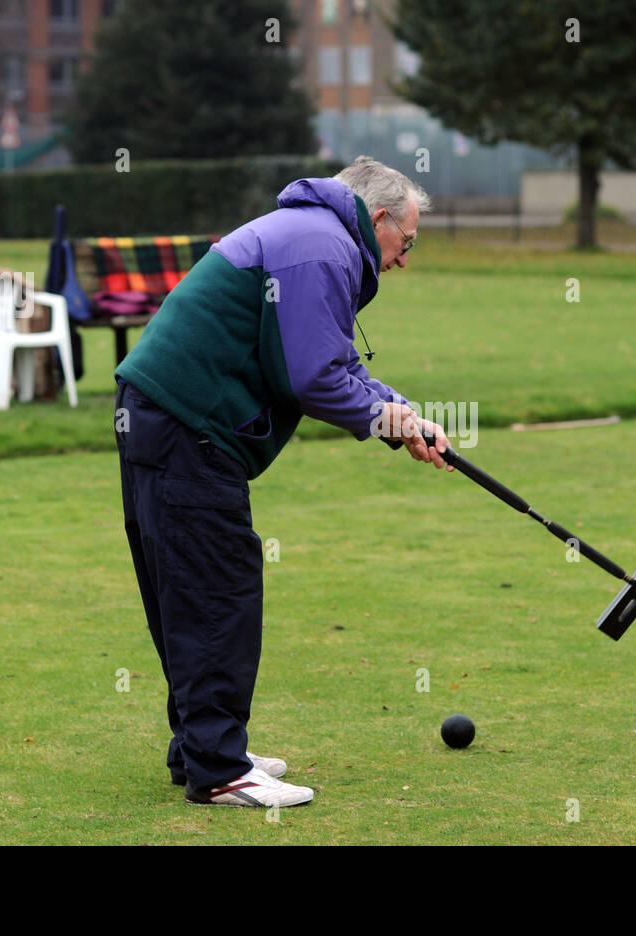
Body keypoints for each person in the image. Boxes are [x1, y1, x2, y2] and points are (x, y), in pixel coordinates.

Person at [113, 155, 452, 809]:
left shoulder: (312, 236)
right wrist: (386, 423)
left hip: (165, 416)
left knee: (193, 587)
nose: (404, 260)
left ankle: (203, 747)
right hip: (187, 423)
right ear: (377, 218)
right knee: (218, 587)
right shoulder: (322, 246)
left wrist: (403, 415)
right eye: (405, 243)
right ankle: (218, 767)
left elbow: (335, 362)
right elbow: (312, 380)